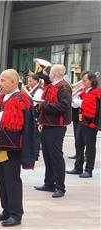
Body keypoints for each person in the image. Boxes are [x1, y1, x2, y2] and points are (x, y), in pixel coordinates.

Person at [0, 69, 35, 227]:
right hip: (0, 144)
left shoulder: (20, 98)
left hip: (12, 147)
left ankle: (16, 214)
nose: (0, 83)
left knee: (12, 180)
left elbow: (15, 121)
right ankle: (6, 210)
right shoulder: (2, 97)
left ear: (14, 82)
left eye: (3, 80)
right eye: (0, 80)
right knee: (2, 178)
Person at [34, 64, 72, 198]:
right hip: (48, 124)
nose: (48, 74)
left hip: (57, 126)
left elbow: (64, 106)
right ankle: (49, 183)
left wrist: (44, 104)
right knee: (47, 155)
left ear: (54, 74)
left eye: (50, 72)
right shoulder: (53, 85)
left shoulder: (64, 87)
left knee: (56, 156)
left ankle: (60, 187)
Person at [66, 71, 101, 178]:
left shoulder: (96, 92)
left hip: (91, 123)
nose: (83, 82)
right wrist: (73, 99)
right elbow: (77, 106)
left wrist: (78, 102)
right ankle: (78, 167)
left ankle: (89, 170)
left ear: (92, 81)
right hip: (81, 121)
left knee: (90, 147)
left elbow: (92, 106)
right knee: (79, 144)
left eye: (85, 80)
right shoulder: (84, 92)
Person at [27, 73, 43, 160]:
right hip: (33, 114)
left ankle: (35, 154)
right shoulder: (33, 89)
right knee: (33, 134)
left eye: (30, 81)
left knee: (36, 135)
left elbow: (36, 102)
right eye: (28, 81)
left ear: (36, 81)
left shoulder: (39, 90)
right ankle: (33, 152)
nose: (28, 83)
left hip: (37, 114)